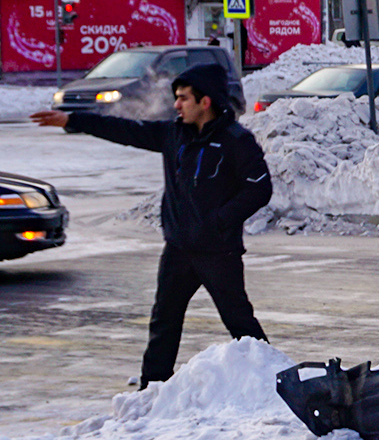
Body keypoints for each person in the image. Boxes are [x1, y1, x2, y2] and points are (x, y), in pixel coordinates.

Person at [30, 64, 270, 389]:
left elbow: (258, 187)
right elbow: (126, 130)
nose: (177, 105)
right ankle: (152, 388)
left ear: (205, 101)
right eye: (176, 98)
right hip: (178, 250)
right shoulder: (173, 135)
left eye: (184, 98)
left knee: (239, 321)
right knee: (163, 322)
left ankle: (276, 381)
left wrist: (219, 220)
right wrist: (74, 120)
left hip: (217, 251)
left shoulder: (235, 140)